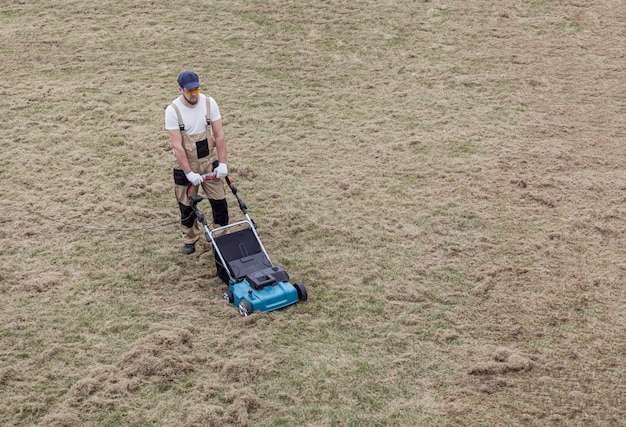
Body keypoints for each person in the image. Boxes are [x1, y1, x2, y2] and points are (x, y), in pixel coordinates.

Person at [165, 71, 229, 255]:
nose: (194, 94)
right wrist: (188, 173)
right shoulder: (173, 111)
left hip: (209, 160)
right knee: (186, 206)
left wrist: (222, 163)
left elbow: (219, 134)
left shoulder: (209, 103)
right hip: (186, 163)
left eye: (197, 89)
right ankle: (190, 238)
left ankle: (220, 236)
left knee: (219, 202)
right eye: (189, 90)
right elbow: (177, 146)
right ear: (180, 89)